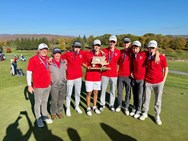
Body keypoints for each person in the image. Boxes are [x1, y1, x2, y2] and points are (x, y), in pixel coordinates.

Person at [139, 40, 168, 125]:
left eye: (153, 48)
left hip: (159, 82)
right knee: (146, 99)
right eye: (150, 47)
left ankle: (157, 115)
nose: (151, 49)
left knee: (158, 100)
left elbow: (166, 68)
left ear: (156, 48)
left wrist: (164, 79)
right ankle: (145, 112)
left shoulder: (162, 57)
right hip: (148, 81)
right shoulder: (147, 56)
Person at [27, 43, 53, 127]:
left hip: (47, 85)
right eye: (42, 49)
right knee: (38, 102)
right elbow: (28, 72)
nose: (44, 51)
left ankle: (44, 115)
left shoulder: (47, 59)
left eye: (46, 49)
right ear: (38, 50)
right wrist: (29, 85)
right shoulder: (33, 59)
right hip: (38, 86)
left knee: (45, 101)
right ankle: (38, 118)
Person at [61, 41, 85, 117]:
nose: (77, 48)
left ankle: (77, 106)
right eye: (76, 47)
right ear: (73, 47)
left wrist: (101, 51)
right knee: (69, 93)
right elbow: (58, 57)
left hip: (78, 77)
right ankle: (68, 108)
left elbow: (92, 54)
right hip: (70, 77)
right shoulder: (68, 54)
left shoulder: (82, 53)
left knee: (78, 93)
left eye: (78, 47)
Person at [99, 35, 121, 112]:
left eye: (113, 42)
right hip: (104, 74)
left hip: (114, 74)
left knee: (112, 90)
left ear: (115, 43)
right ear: (108, 42)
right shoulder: (104, 50)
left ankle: (111, 104)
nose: (111, 43)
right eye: (110, 41)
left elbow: (119, 63)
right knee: (103, 90)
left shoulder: (118, 52)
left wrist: (117, 72)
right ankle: (102, 104)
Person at [82, 39, 103, 116]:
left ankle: (94, 106)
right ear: (93, 46)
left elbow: (104, 64)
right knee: (89, 93)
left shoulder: (102, 54)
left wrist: (103, 66)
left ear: (100, 46)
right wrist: (87, 67)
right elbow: (82, 63)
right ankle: (88, 108)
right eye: (95, 45)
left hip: (97, 77)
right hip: (89, 77)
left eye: (98, 45)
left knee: (96, 93)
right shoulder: (88, 54)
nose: (96, 47)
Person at [130, 41, 148, 118]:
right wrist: (131, 72)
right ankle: (134, 107)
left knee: (140, 96)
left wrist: (158, 54)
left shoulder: (144, 54)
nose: (134, 49)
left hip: (141, 79)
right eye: (133, 48)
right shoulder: (133, 56)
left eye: (136, 48)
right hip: (134, 78)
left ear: (139, 48)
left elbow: (154, 50)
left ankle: (139, 110)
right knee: (135, 94)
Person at [116, 37, 132, 115]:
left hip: (129, 76)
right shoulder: (120, 52)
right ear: (123, 43)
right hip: (120, 75)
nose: (126, 44)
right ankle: (119, 105)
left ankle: (126, 107)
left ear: (130, 43)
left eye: (127, 42)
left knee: (128, 93)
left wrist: (157, 53)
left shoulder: (133, 51)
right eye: (125, 42)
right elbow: (118, 63)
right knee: (119, 92)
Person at [50, 47, 67, 120]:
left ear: (60, 54)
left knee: (61, 99)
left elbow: (65, 71)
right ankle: (53, 113)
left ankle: (59, 112)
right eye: (55, 53)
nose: (57, 54)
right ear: (53, 55)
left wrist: (65, 79)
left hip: (63, 84)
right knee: (54, 100)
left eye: (58, 53)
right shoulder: (50, 63)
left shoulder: (64, 62)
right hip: (54, 84)